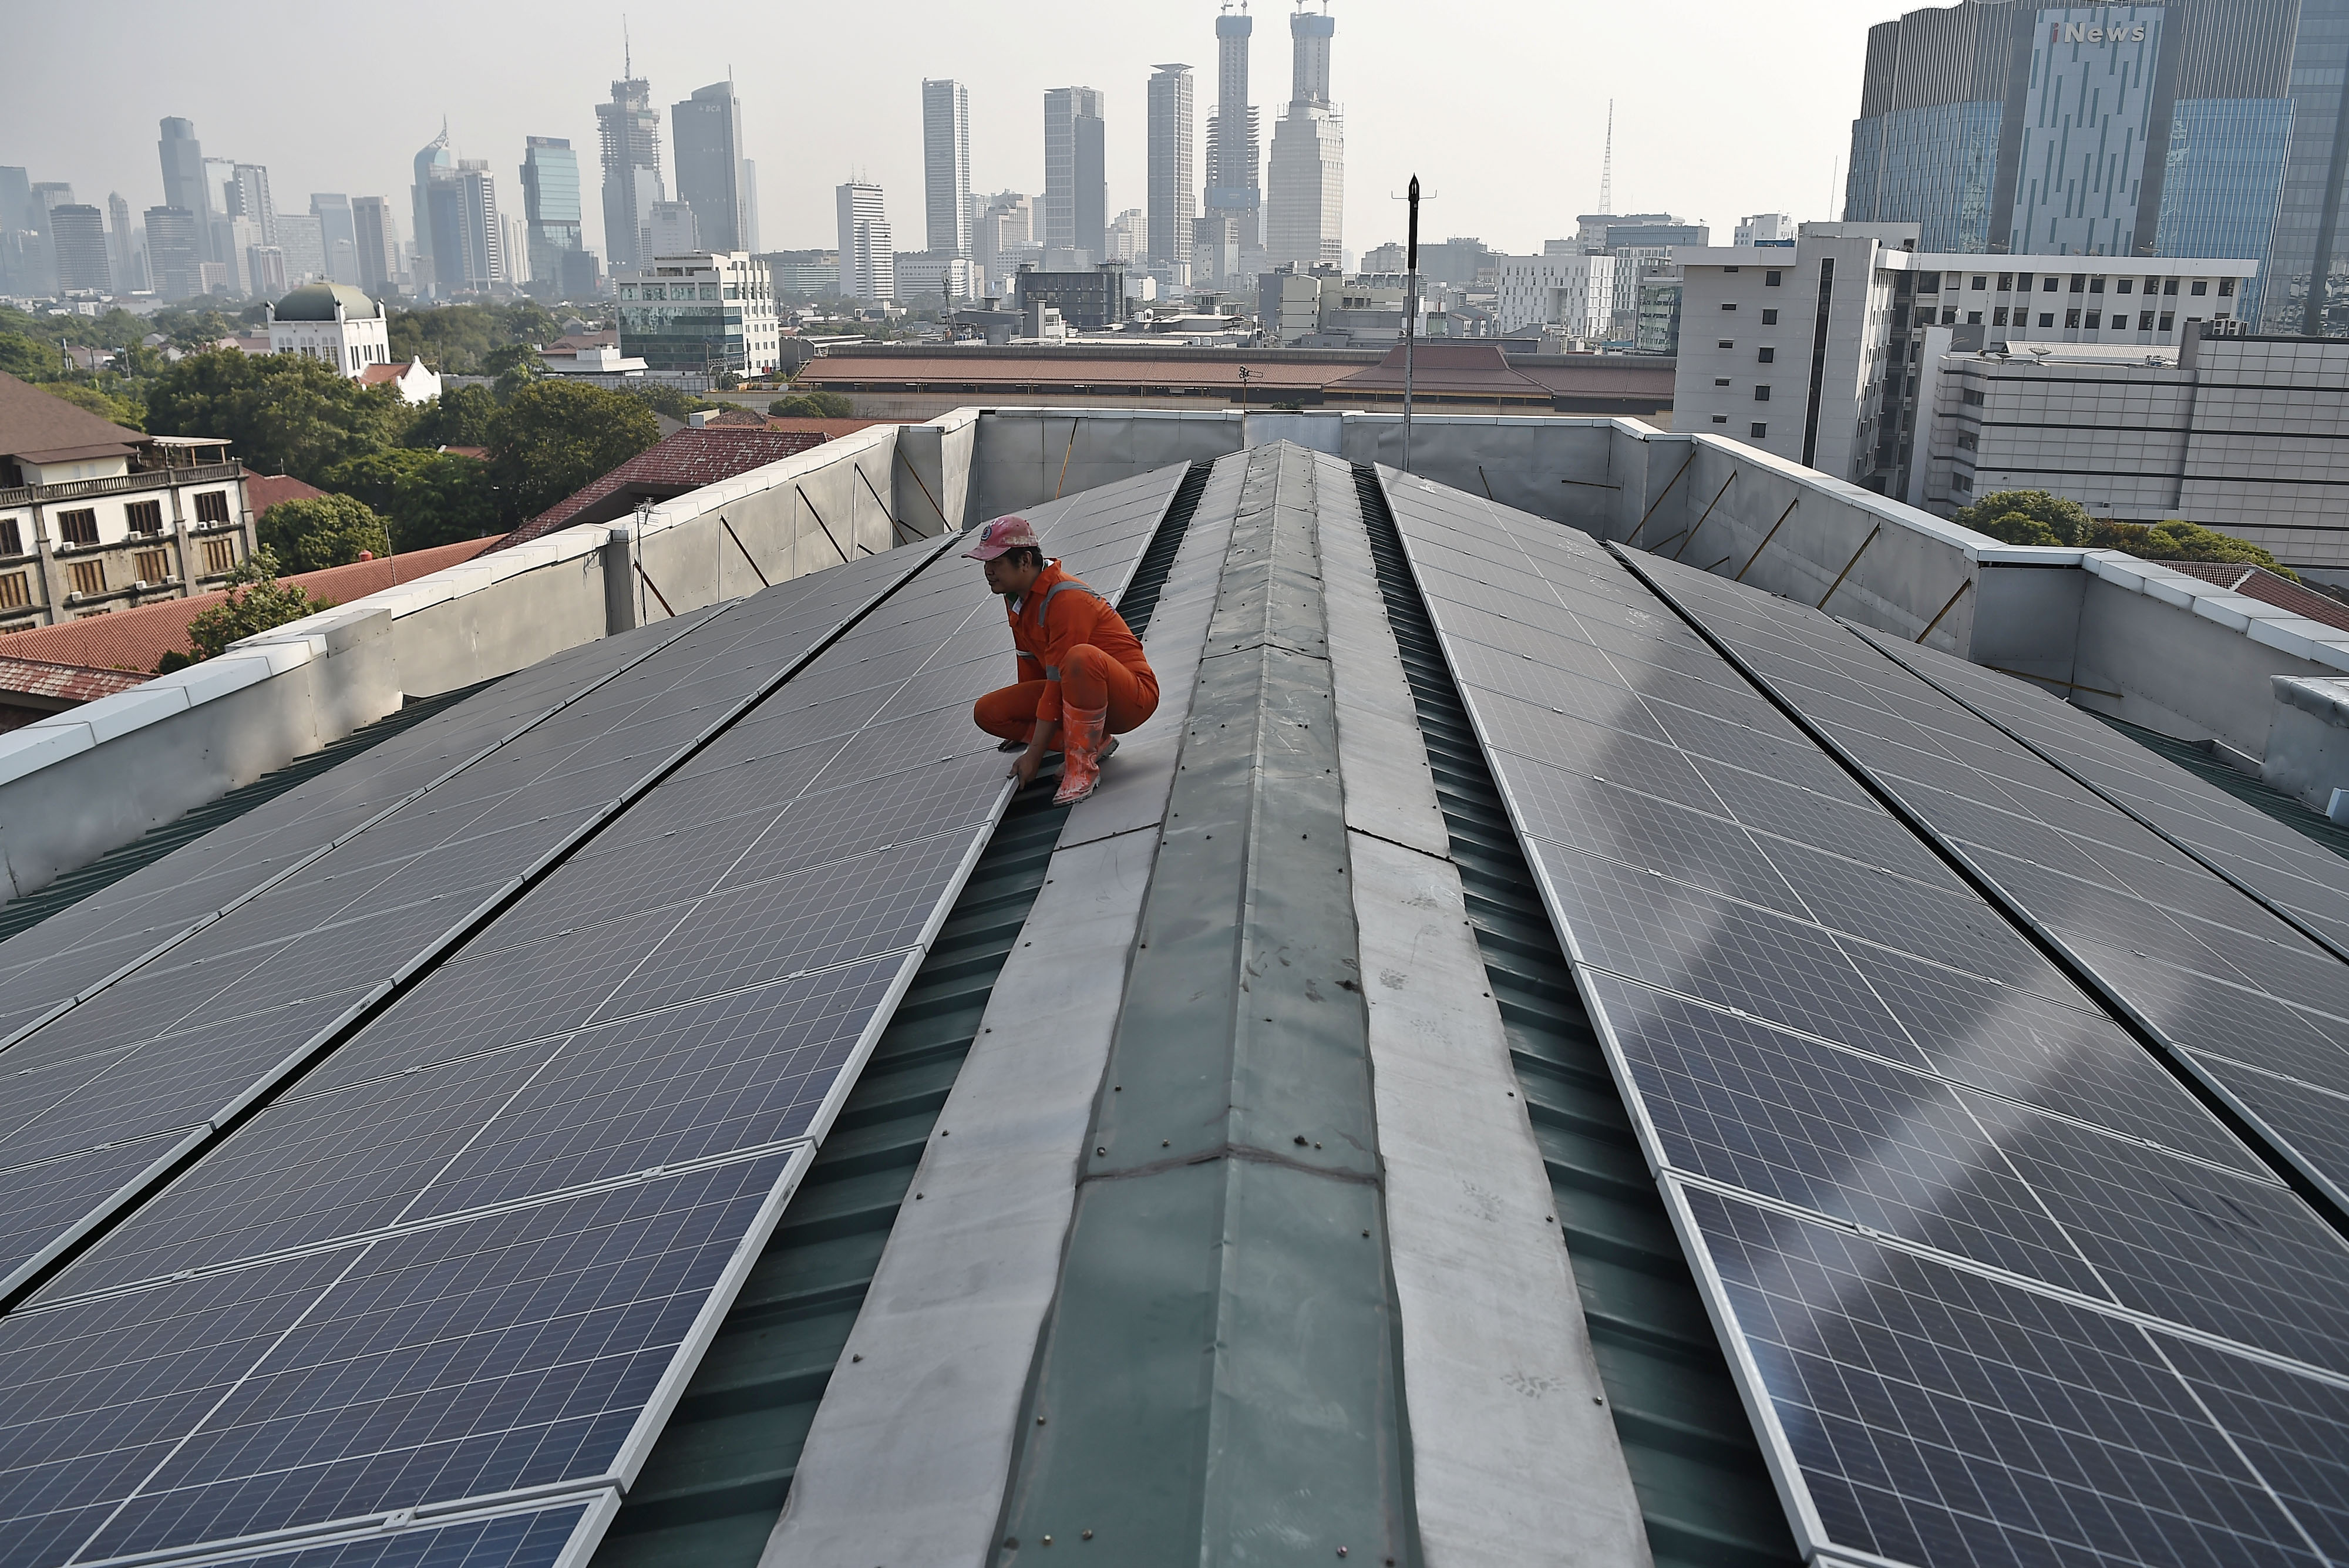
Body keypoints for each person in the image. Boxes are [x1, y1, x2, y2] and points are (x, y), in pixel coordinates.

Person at [965, 514, 1157, 805]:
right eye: (985, 563)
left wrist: (1035, 752)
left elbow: (1057, 681)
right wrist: (1025, 722)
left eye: (996, 563)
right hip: (1074, 690)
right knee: (988, 712)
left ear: (1024, 561)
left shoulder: (1066, 599)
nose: (988, 572)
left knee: (1080, 657)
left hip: (1130, 699)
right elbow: (1029, 661)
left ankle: (1082, 767)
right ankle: (1094, 741)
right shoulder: (1016, 597)